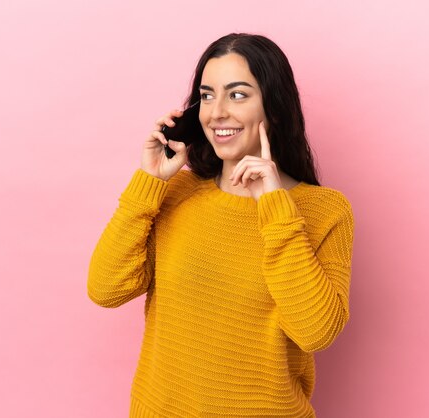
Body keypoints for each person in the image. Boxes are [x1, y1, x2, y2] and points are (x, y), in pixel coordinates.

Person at [87, 33, 354, 417]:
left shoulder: (324, 210)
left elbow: (316, 331)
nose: (216, 112)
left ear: (274, 109)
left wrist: (274, 205)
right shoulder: (175, 192)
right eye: (207, 95)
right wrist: (150, 182)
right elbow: (105, 289)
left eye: (238, 94)